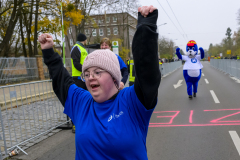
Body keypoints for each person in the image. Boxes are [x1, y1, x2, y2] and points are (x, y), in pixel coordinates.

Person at [38, 5, 160, 160]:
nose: (90, 77)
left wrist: (146, 26)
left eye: (97, 72)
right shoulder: (81, 102)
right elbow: (61, 80)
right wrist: (49, 51)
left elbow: (147, 71)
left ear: (114, 77)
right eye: (87, 74)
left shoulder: (133, 101)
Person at [70, 33, 88, 133]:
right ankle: (74, 125)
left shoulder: (83, 49)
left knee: (84, 102)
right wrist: (86, 70)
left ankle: (82, 123)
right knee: (77, 102)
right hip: (78, 79)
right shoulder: (76, 48)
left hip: (84, 79)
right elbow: (76, 63)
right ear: (84, 40)